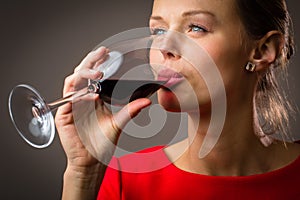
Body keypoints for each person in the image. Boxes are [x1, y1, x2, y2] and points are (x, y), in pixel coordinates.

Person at [55, 0, 299, 199]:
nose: (164, 47)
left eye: (196, 27)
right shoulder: (126, 181)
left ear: (263, 50)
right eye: (158, 31)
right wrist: (83, 173)